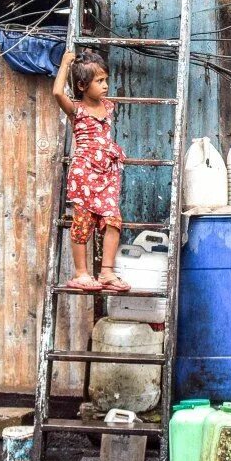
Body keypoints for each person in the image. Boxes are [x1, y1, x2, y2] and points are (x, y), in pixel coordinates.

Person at [52, 49, 130, 293]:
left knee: (113, 220)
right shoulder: (76, 109)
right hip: (85, 173)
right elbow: (56, 92)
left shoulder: (108, 107)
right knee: (82, 222)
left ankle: (106, 271)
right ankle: (81, 273)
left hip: (107, 173)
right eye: (99, 81)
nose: (105, 85)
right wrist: (65, 63)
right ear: (83, 85)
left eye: (105, 80)